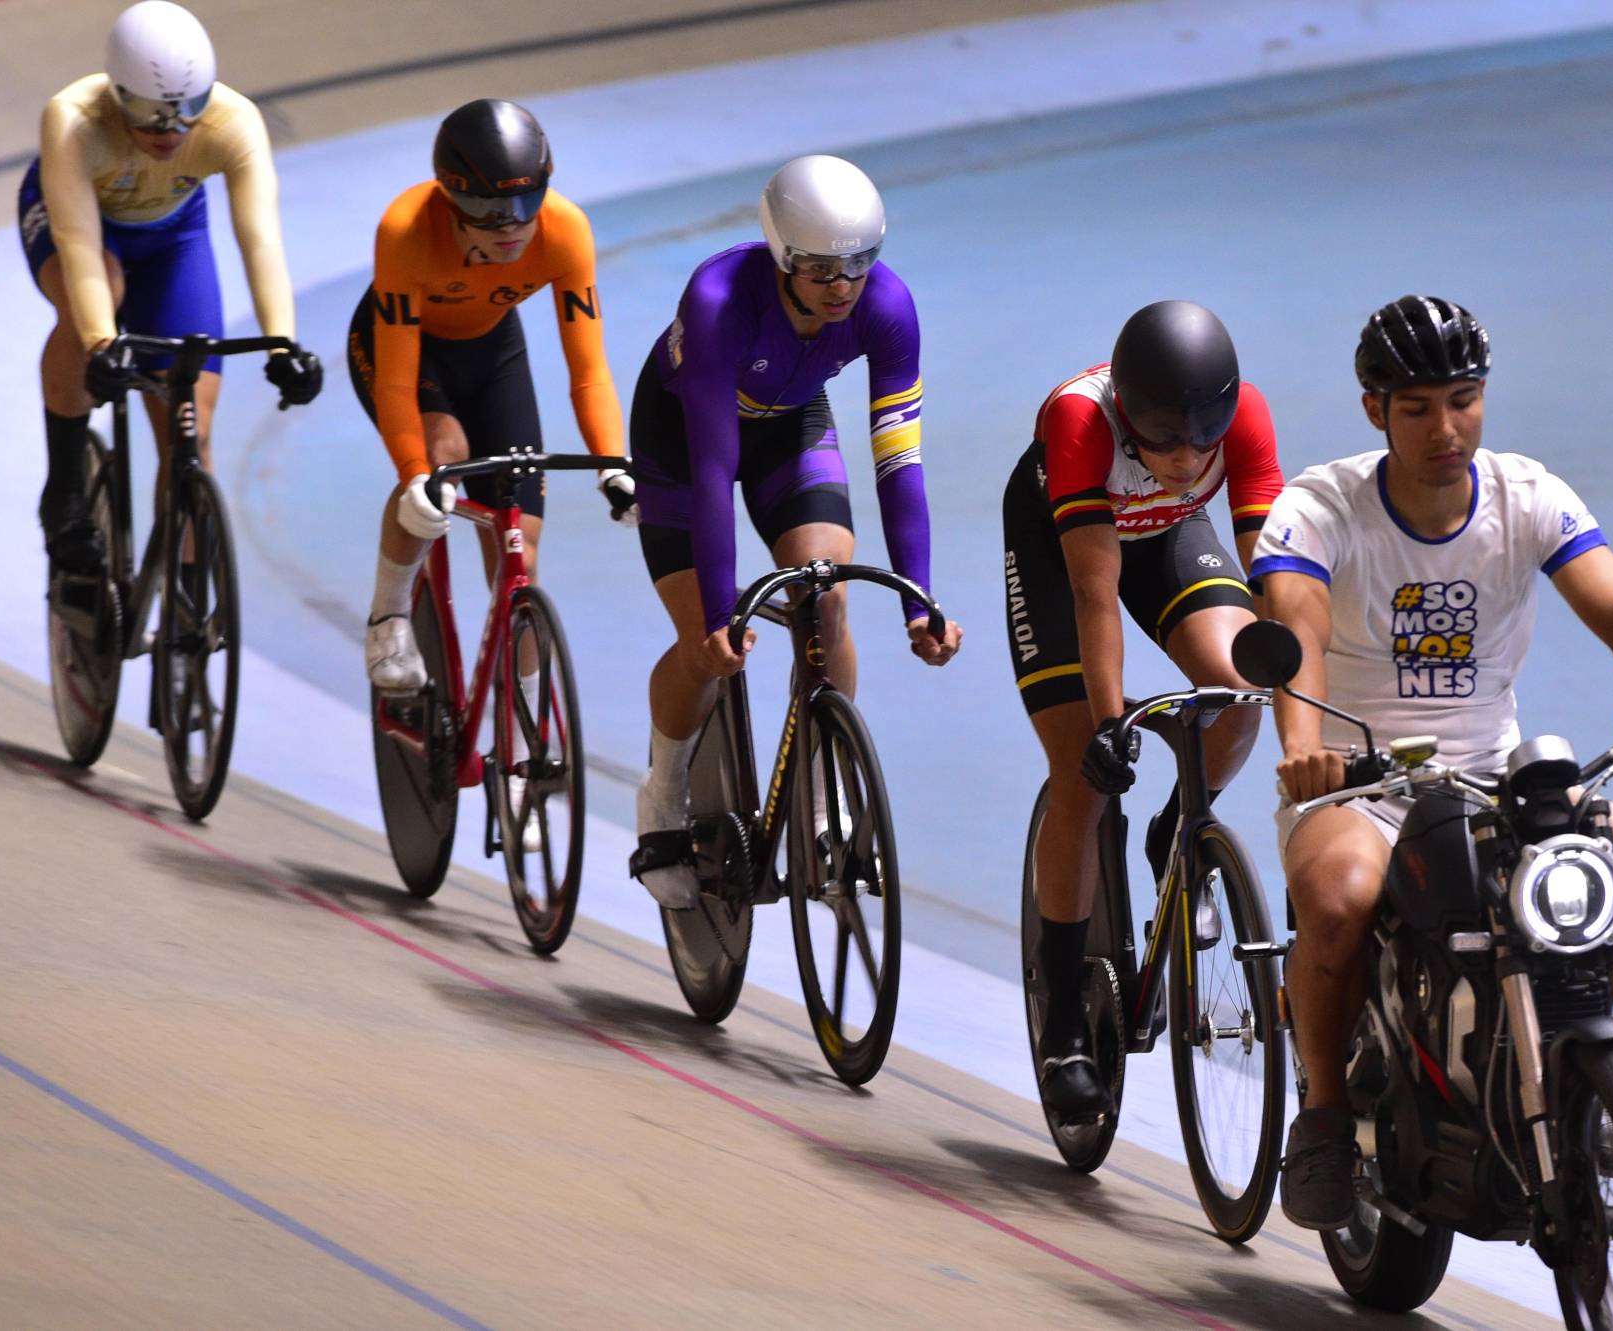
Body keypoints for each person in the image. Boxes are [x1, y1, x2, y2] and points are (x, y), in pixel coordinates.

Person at [1250, 294, 1613, 1229]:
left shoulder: (1528, 497)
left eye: (1464, 400)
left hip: (1488, 777)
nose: (1445, 429)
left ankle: (1585, 1070)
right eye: (1417, 408)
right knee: (1339, 900)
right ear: (1374, 410)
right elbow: (1298, 630)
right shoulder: (1321, 508)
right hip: (1359, 782)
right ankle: (1321, 1110)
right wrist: (1303, 748)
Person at [627, 153, 962, 909]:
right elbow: (713, 469)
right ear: (782, 257)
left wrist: (918, 599)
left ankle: (819, 804)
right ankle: (663, 791)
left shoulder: (889, 306)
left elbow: (899, 462)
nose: (843, 287)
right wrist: (719, 614)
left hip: (790, 425)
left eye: (858, 265)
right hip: (683, 440)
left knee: (827, 593)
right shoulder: (719, 300)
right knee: (705, 649)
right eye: (820, 270)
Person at [1004, 300, 1284, 1123]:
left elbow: (1274, 577)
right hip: (1061, 547)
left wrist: (1294, 685)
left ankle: (1175, 832)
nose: (1187, 458)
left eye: (1203, 441)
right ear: (1130, 417)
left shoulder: (1246, 417)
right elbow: (1095, 594)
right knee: (1083, 779)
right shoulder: (1079, 422)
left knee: (1241, 686)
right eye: (1164, 441)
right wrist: (1107, 726)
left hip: (1167, 534)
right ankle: (1063, 1024)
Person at [350, 98, 630, 849]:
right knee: (441, 455)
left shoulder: (565, 229)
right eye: (487, 211)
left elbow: (588, 369)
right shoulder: (405, 230)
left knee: (519, 554)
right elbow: (397, 381)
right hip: (407, 353)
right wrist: (416, 472)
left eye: (525, 205)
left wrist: (613, 464)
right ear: (450, 200)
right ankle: (388, 617)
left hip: (492, 352)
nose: (511, 227)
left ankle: (521, 745)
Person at [23, 0, 320, 573]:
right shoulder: (73, 117)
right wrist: (100, 344)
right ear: (117, 94)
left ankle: (185, 600)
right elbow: (78, 242)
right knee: (101, 292)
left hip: (172, 240)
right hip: (83, 226)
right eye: (151, 115)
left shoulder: (233, 121)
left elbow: (261, 240)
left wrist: (283, 343)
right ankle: (64, 490)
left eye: (188, 110)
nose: (172, 130)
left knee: (191, 435)